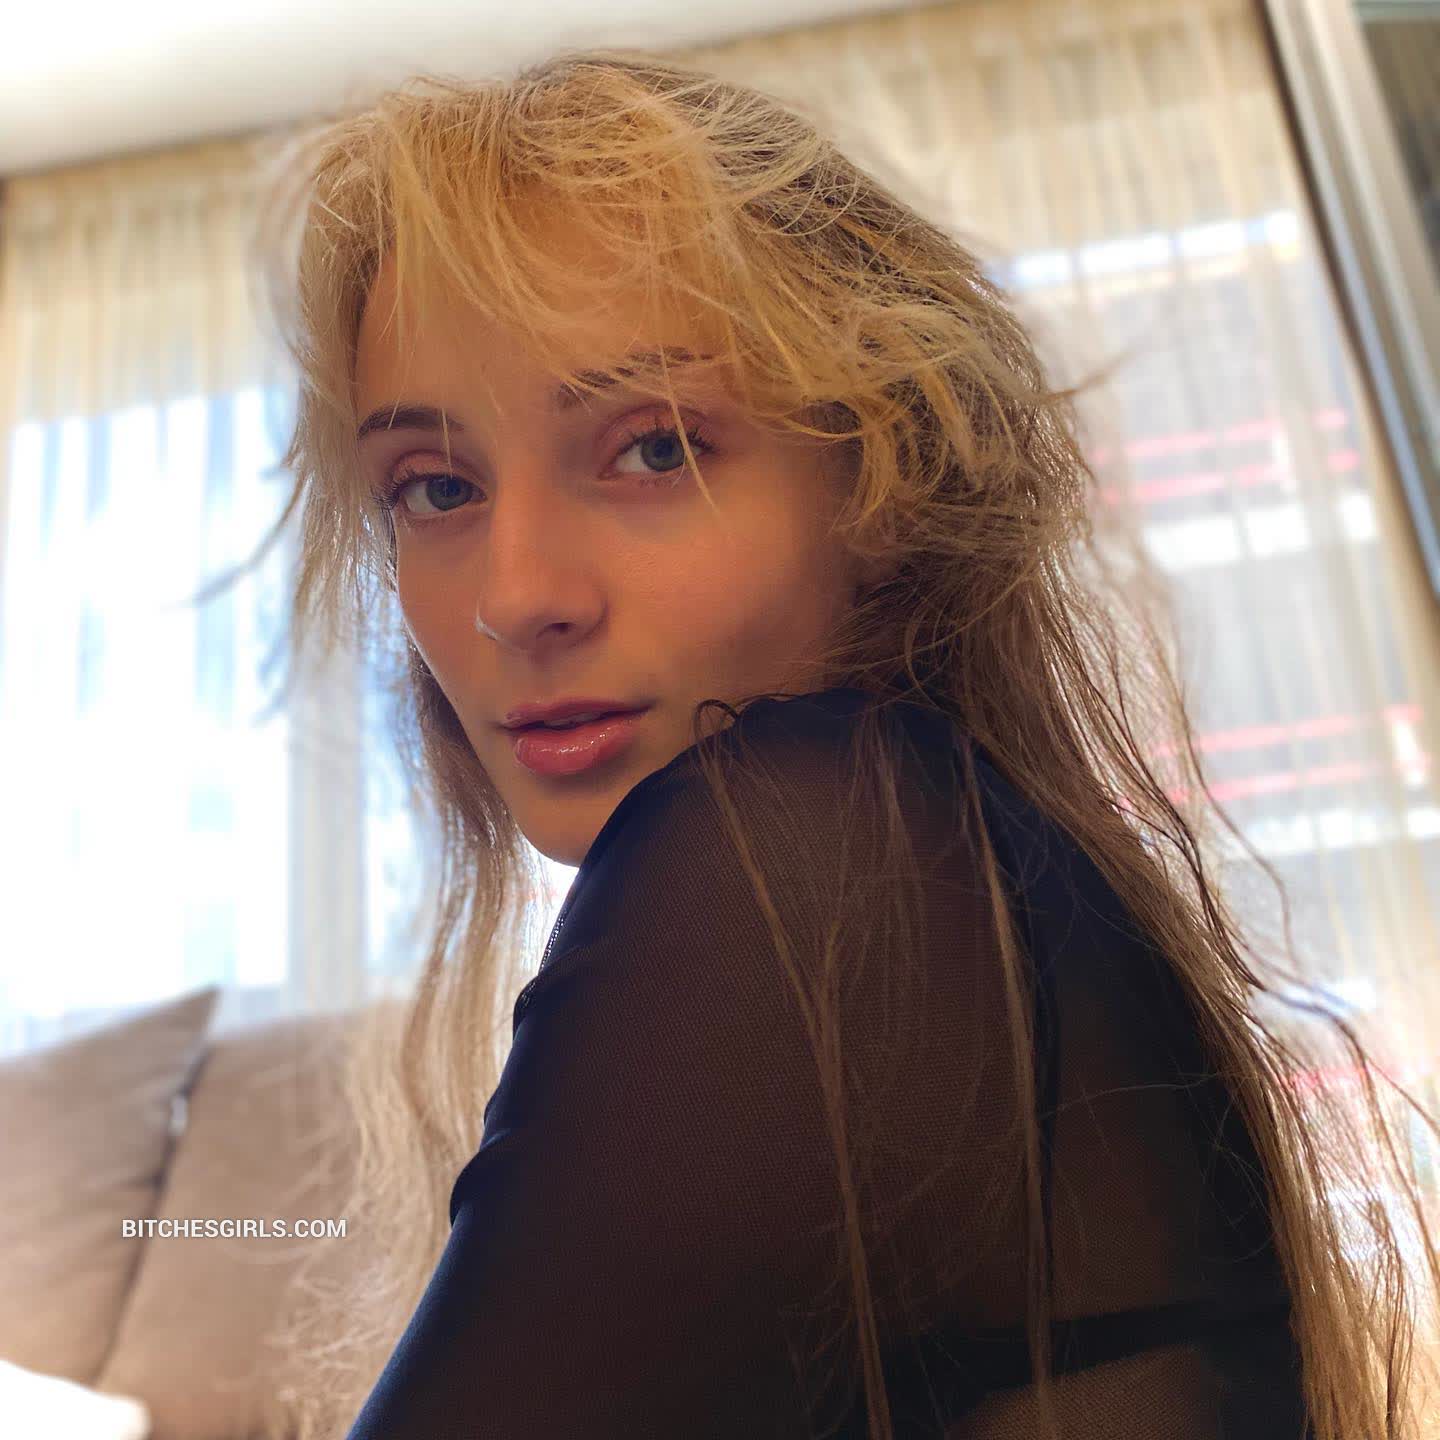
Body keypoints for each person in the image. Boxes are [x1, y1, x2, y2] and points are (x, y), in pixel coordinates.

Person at [239, 46, 1440, 1440]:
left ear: (883, 481)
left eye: (654, 448)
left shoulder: (814, 864)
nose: (515, 596)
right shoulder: (975, 871)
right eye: (436, 487)